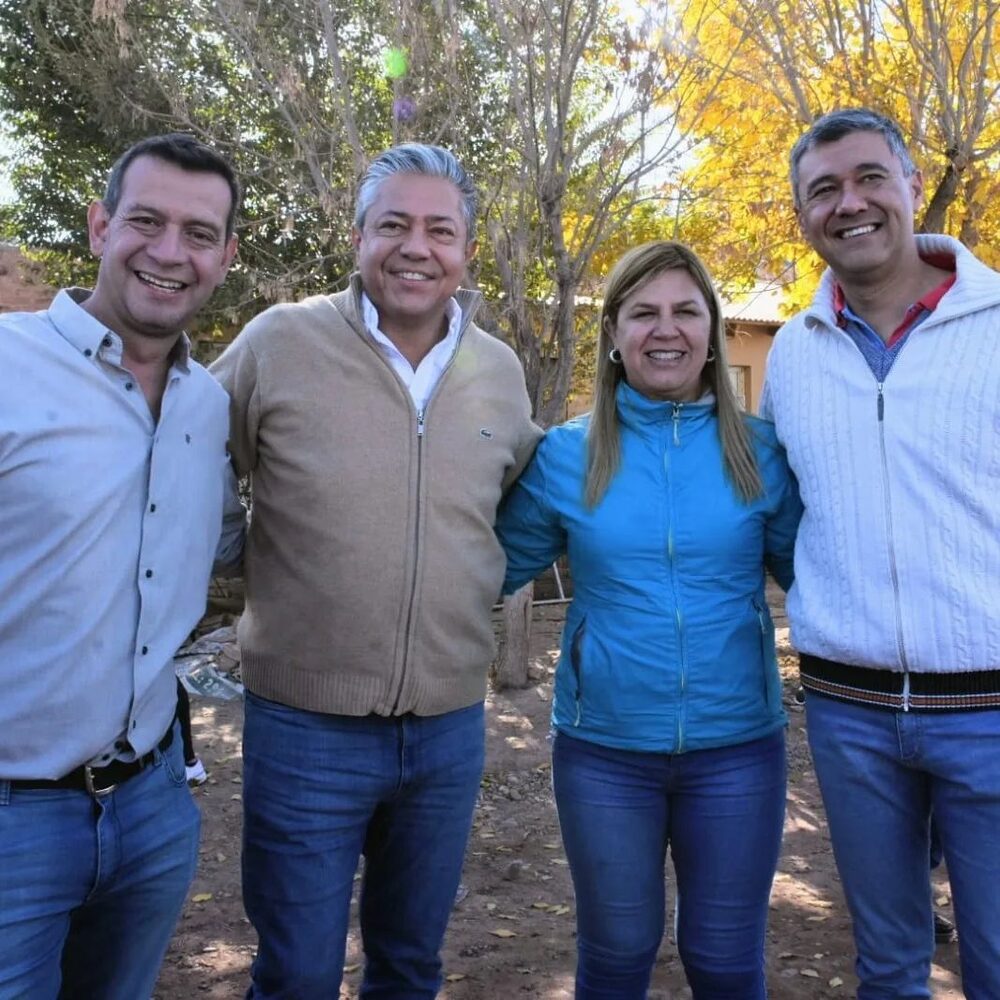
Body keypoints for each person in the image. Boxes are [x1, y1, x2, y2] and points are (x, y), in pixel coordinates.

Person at [211, 142, 540, 999]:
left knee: (409, 965)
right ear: (357, 237)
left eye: (440, 229)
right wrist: (224, 553)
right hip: (303, 728)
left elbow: (522, 502)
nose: (415, 247)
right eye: (392, 224)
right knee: (297, 975)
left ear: (466, 250)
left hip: (447, 730)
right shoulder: (280, 341)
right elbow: (187, 442)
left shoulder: (499, 373)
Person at [496, 241, 801, 998]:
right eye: (644, 313)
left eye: (685, 311)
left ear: (711, 331)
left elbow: (818, 580)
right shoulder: (568, 455)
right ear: (612, 333)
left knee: (726, 962)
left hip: (737, 750)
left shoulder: (761, 453)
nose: (665, 330)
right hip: (604, 752)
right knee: (616, 956)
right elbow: (482, 568)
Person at [761, 107, 1000, 998]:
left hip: (990, 709)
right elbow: (789, 512)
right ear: (802, 214)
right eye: (823, 190)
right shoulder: (791, 352)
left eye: (869, 178)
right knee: (890, 965)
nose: (849, 203)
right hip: (850, 711)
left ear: (910, 184)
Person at [0, 133, 243, 999]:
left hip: (152, 807)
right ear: (101, 226)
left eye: (198, 232)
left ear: (226, 256)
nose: (169, 251)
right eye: (146, 220)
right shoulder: (7, 366)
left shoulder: (207, 404)